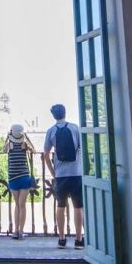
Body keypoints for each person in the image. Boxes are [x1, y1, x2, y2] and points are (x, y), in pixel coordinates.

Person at [43, 102, 84, 249]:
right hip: (76, 173)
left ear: (53, 116)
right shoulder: (74, 128)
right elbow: (82, 148)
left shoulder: (51, 131)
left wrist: (53, 173)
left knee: (60, 206)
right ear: (65, 113)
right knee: (78, 207)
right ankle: (79, 239)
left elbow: (45, 155)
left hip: (60, 175)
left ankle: (61, 238)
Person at [4, 123, 37, 240]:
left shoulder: (9, 144)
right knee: (22, 205)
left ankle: (15, 231)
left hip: (12, 176)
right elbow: (35, 151)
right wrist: (27, 139)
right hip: (24, 176)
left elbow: (3, 150)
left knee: (17, 205)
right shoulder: (24, 145)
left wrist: (7, 138)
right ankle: (21, 231)